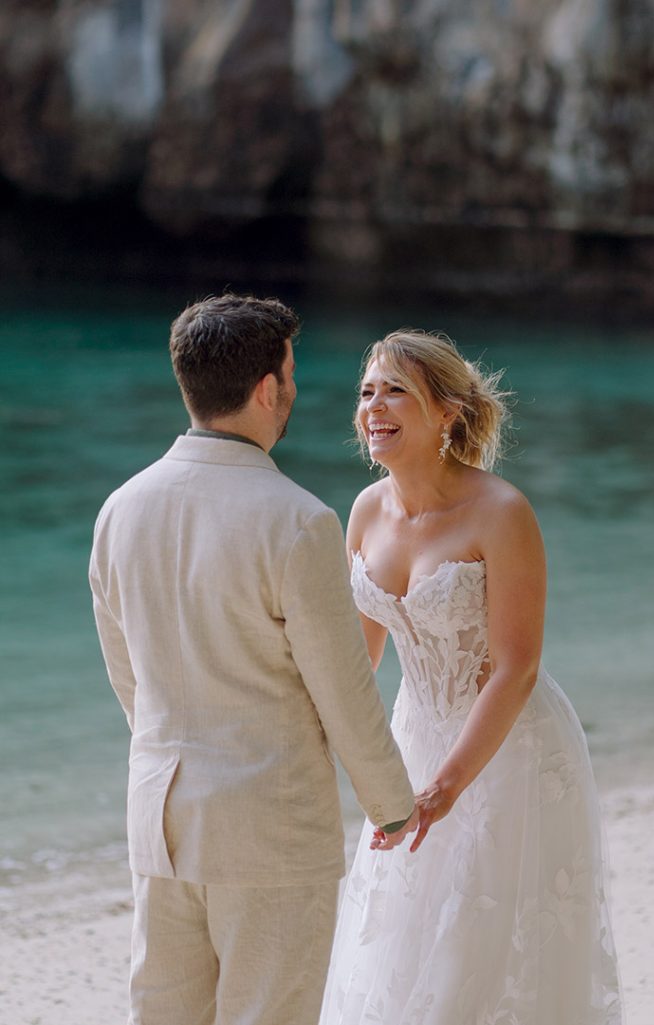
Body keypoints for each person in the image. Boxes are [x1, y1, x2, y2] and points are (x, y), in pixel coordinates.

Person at [88, 293, 419, 1025]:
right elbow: (342, 691)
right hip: (270, 825)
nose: (293, 390)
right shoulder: (298, 520)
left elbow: (128, 675)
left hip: (160, 816)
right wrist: (392, 807)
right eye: (291, 375)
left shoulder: (119, 508)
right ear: (267, 388)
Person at [319, 330, 622, 1025]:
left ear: (446, 411)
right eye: (366, 392)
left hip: (508, 748)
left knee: (480, 954)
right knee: (399, 942)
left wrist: (445, 787)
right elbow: (357, 659)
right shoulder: (365, 511)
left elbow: (517, 668)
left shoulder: (502, 511)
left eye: (395, 391)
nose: (373, 407)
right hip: (410, 739)